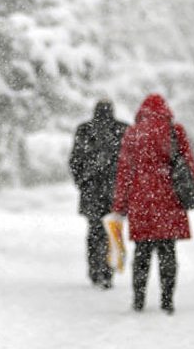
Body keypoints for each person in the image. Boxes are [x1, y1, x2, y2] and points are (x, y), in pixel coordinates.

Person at [112, 93, 194, 314]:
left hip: (141, 199)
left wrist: (119, 204)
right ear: (165, 110)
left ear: (142, 111)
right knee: (167, 250)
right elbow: (189, 163)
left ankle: (138, 300)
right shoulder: (175, 131)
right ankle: (167, 300)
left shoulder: (133, 133)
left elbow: (125, 172)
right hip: (169, 198)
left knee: (142, 252)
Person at [69, 99, 128, 289]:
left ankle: (95, 269)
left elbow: (75, 160)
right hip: (115, 191)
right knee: (112, 231)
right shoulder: (123, 129)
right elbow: (131, 163)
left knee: (94, 231)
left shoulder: (85, 130)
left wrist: (83, 182)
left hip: (92, 190)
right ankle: (108, 271)